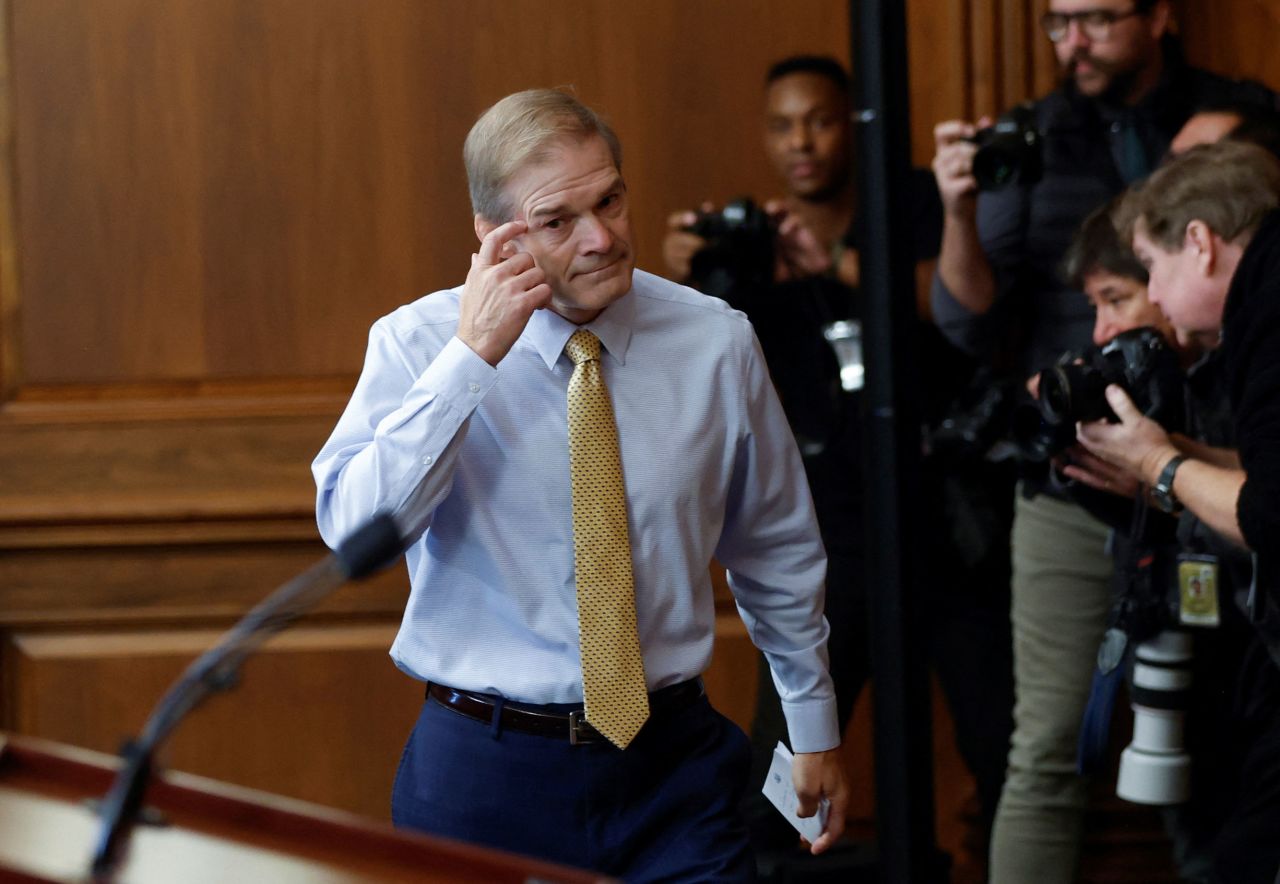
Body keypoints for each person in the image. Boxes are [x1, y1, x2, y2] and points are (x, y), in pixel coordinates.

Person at [311, 88, 849, 882]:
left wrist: (813, 725)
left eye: (612, 200)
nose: (602, 238)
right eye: (558, 221)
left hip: (675, 773)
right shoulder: (416, 343)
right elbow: (354, 528)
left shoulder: (715, 341)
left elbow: (776, 549)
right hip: (483, 776)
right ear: (494, 239)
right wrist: (468, 364)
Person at [928, 1, 1277, 880]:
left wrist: (1167, 463)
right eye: (1056, 21)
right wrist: (959, 210)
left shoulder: (1226, 123)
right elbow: (964, 327)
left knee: (1221, 739)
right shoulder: (1028, 141)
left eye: (1096, 16)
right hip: (1085, 473)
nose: (1072, 42)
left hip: (1215, 459)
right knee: (1047, 750)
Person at [663, 55, 1015, 870]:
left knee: (1000, 741)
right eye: (782, 125)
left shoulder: (918, 203)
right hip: (828, 531)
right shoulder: (748, 247)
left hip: (946, 517)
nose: (801, 143)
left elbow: (965, 309)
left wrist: (838, 266)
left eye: (818, 121)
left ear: (853, 122)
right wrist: (691, 276)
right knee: (782, 764)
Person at [1075, 139, 1280, 884]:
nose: (1154, 297)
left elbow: (1265, 515)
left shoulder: (1268, 301)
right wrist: (1171, 449)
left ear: (1199, 242)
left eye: (1151, 269)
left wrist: (1156, 466)